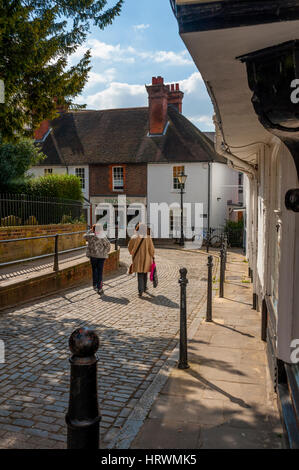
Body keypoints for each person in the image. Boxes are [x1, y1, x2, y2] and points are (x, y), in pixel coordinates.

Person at [128, 223, 155, 297]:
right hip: (146, 258)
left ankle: (140, 290)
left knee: (140, 274)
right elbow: (151, 249)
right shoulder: (148, 238)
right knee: (145, 273)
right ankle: (144, 287)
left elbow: (130, 247)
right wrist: (152, 256)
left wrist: (132, 252)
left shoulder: (134, 237)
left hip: (137, 259)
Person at [84, 223, 111, 295]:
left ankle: (94, 285)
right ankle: (99, 288)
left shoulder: (90, 236)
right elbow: (108, 245)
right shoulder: (103, 236)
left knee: (94, 270)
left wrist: (91, 230)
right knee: (100, 271)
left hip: (93, 256)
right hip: (101, 256)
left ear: (93, 229)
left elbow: (84, 236)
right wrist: (105, 252)